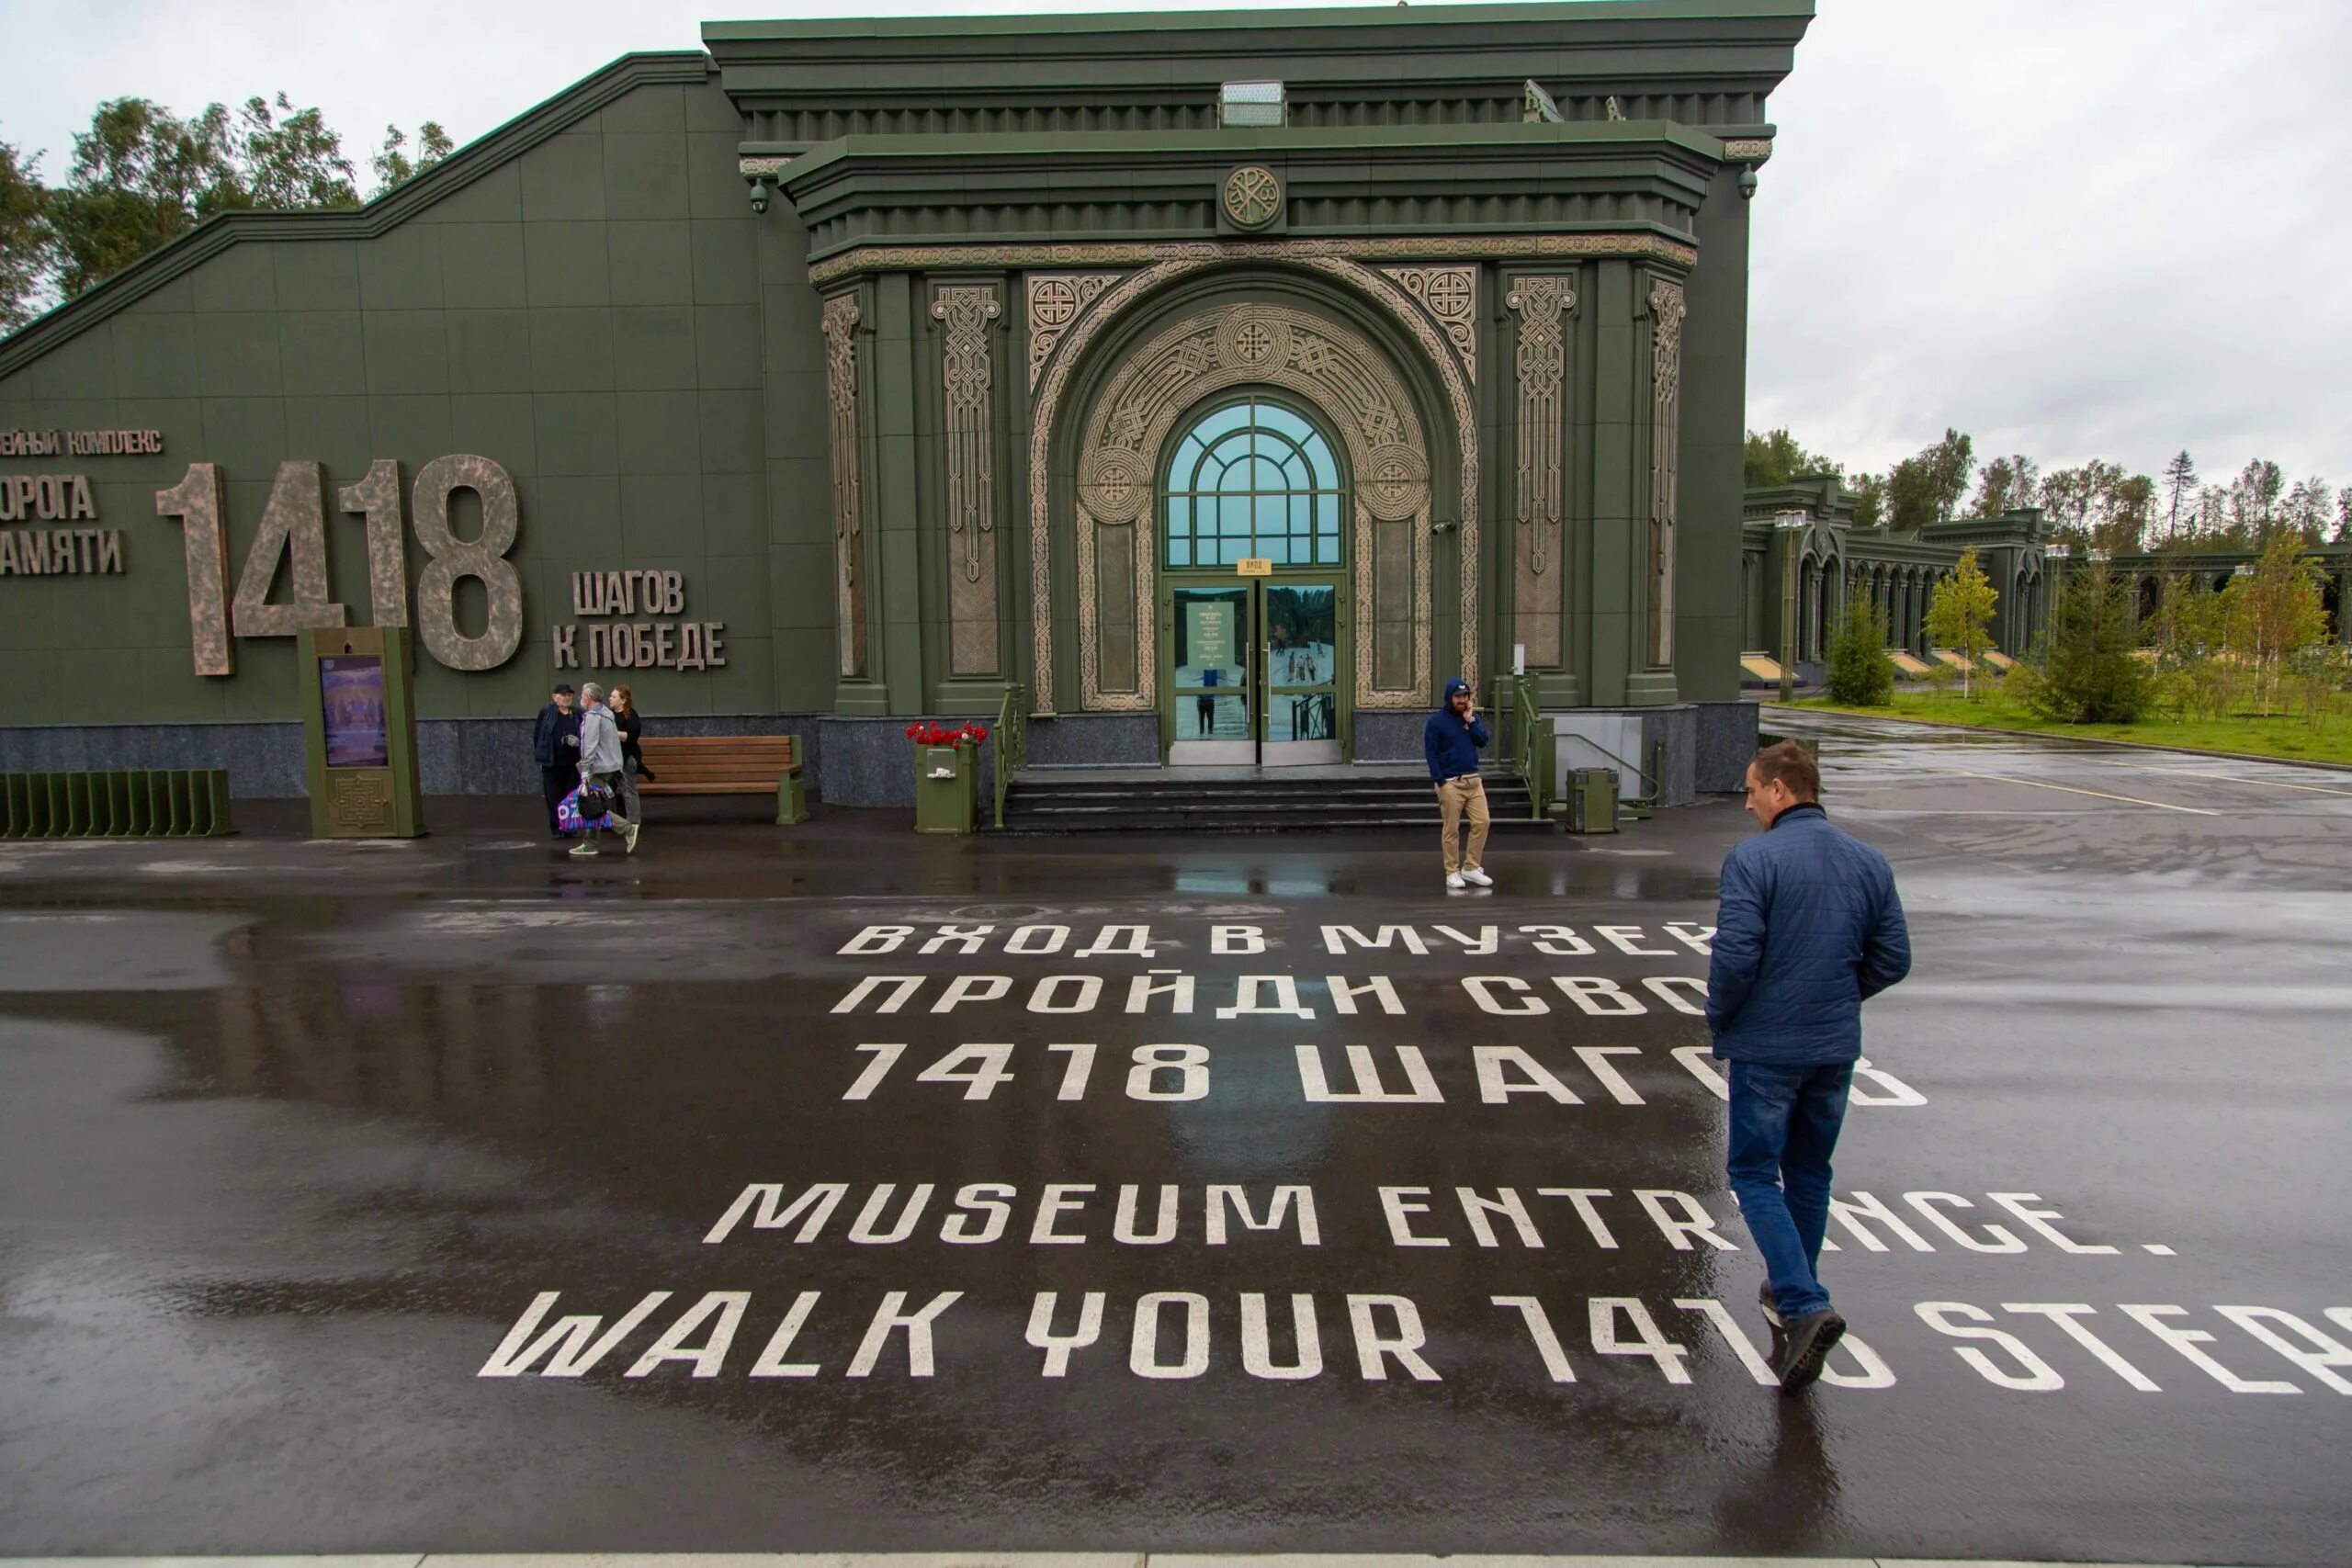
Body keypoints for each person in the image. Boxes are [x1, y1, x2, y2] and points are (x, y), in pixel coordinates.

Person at [1706, 740, 1910, 1393]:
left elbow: (1736, 954)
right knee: (1810, 1173)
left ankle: (1801, 1301)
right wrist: (1838, 997)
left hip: (1768, 1046)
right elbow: (1893, 956)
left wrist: (1723, 1015)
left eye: (1752, 789)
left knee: (1753, 1172)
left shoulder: (1754, 860)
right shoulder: (1867, 861)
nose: (1747, 802)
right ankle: (1796, 1285)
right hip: (1832, 1047)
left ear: (1781, 791)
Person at [1422, 676, 1490, 888]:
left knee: (1483, 822)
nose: (1462, 700)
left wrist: (1471, 721)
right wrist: (1440, 780)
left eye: (1465, 696)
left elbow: (1483, 741)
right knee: (1452, 829)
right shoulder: (1436, 722)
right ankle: (1451, 871)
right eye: (1458, 696)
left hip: (1473, 780)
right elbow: (1431, 752)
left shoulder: (1471, 718)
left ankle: (1470, 867)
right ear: (1449, 697)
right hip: (1451, 782)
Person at [571, 682, 639, 857]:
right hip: (609, 766)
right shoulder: (606, 714)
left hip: (598, 768)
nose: (580, 698)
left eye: (582, 695)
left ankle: (627, 829)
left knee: (593, 806)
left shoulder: (593, 717)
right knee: (594, 804)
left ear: (588, 698)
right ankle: (590, 844)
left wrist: (585, 772)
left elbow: (590, 746)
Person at [531, 683, 581, 838]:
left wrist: (577, 742)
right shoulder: (547, 713)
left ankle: (570, 827)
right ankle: (557, 827)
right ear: (555, 697)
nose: (567, 698)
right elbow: (537, 735)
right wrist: (542, 753)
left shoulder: (577, 713)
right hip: (552, 763)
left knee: (571, 796)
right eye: (564, 695)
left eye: (569, 695)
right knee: (553, 795)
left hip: (572, 763)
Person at [609, 683, 650, 828]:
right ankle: (610, 820)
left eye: (614, 697)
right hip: (611, 759)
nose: (610, 699)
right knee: (607, 790)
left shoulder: (631, 715)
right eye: (611, 696)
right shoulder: (609, 715)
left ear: (623, 700)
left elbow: (631, 737)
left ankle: (633, 822)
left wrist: (613, 732)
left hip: (627, 758)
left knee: (628, 790)